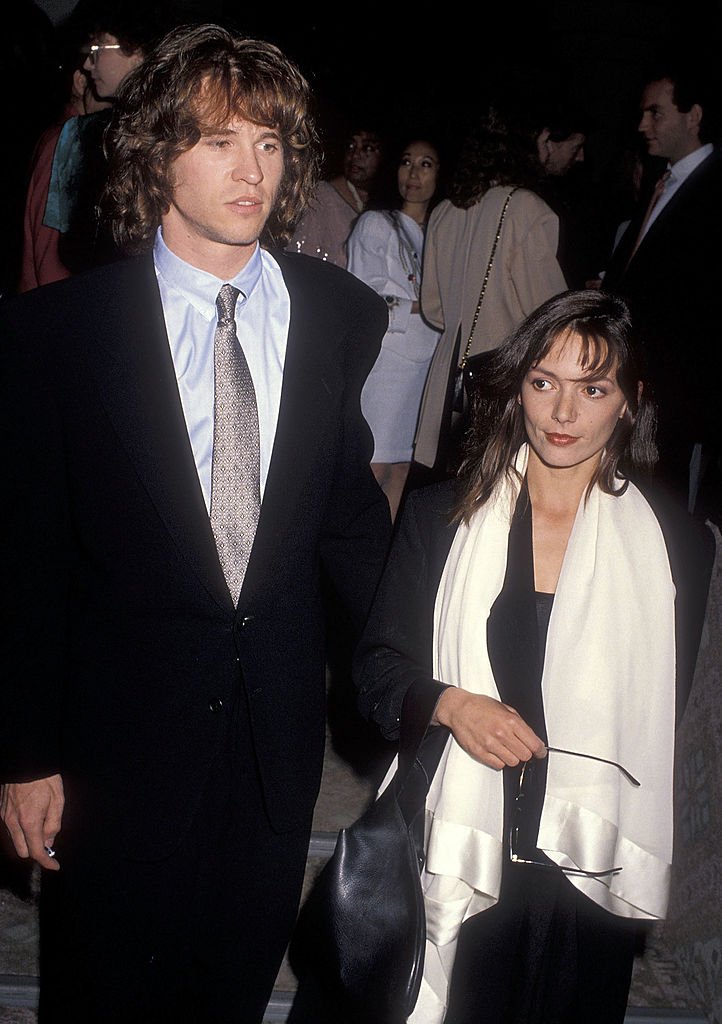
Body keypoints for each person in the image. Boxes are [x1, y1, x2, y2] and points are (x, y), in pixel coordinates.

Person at [0, 22, 391, 1024]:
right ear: (155, 150)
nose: (251, 168)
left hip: (273, 745)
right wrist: (26, 752)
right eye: (218, 139)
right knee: (101, 997)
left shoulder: (339, 314)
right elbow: (30, 561)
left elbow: (347, 520)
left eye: (270, 141)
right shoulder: (59, 335)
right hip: (117, 744)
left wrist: (426, 676)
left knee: (227, 994)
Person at [354, 290, 714, 1024]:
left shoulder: (679, 547)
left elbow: (659, 714)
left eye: (593, 389)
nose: (563, 412)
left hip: (588, 861)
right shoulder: (441, 515)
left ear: (629, 402)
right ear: (518, 386)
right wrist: (452, 705)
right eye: (543, 383)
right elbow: (375, 673)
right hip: (464, 837)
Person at [413, 108, 567, 479]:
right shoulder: (527, 209)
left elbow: (434, 308)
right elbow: (553, 313)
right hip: (503, 379)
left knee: (439, 496)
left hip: (447, 378)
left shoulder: (446, 211)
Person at [602, 63, 722, 517]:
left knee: (668, 515)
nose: (642, 125)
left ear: (693, 115)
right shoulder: (665, 182)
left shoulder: (711, 188)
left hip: (680, 395)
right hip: (642, 383)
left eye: (655, 113)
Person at [347, 138, 442, 519]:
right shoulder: (376, 224)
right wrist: (428, 306)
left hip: (427, 364)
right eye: (406, 161)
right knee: (375, 466)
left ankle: (389, 563)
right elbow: (364, 296)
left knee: (404, 468)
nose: (414, 172)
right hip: (388, 362)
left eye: (426, 163)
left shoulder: (445, 232)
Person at [44, 0, 176, 274]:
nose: (88, 64)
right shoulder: (84, 134)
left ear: (137, 50)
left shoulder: (175, 134)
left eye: (97, 49)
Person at [287, 125, 385, 267]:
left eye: (367, 148)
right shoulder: (322, 196)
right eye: (351, 146)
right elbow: (301, 259)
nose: (355, 154)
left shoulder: (386, 208)